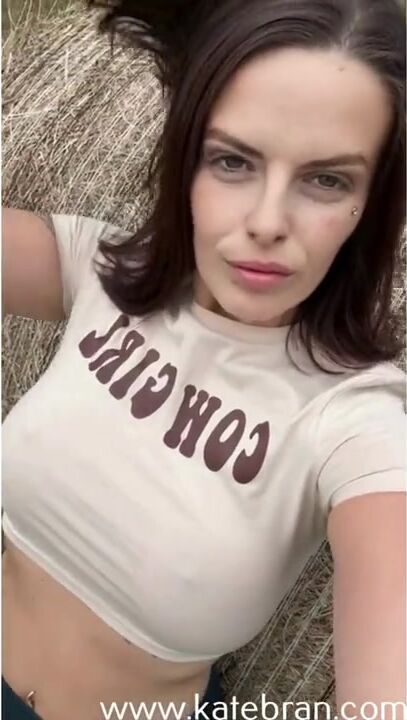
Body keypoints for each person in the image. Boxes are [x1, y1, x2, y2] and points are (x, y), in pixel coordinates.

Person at [2, 0, 406, 718]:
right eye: (232, 161)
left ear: (368, 206)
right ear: (185, 163)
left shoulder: (355, 421)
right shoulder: (98, 272)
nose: (267, 222)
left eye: (327, 179)